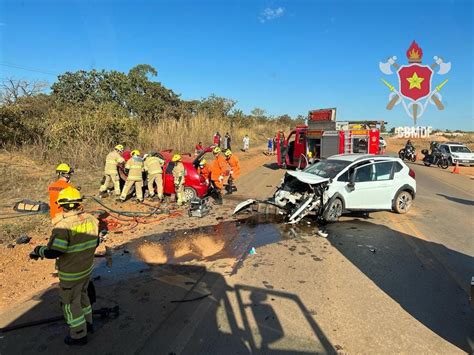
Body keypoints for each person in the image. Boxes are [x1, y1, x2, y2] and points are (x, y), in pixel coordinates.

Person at [30, 187, 100, 346]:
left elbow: (54, 251)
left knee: (70, 304)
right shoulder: (91, 219)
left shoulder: (63, 226)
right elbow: (95, 242)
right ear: (78, 203)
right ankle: (88, 324)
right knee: (83, 295)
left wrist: (38, 251)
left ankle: (78, 334)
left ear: (62, 205)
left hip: (70, 273)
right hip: (86, 269)